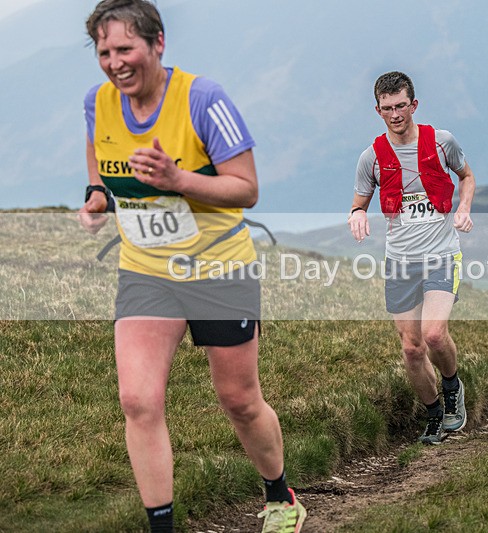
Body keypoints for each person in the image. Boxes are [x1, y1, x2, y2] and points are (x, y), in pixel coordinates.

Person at [78, 2, 305, 532]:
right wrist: (96, 195)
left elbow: (246, 188)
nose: (114, 63)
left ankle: (280, 496)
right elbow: (98, 150)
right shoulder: (98, 102)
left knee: (239, 400)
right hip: (145, 271)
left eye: (125, 49)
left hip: (218, 269)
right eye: (104, 51)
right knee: (137, 399)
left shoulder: (202, 98)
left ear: (158, 43)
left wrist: (178, 180)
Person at [348, 71, 475, 445]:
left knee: (434, 336)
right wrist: (357, 215)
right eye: (387, 108)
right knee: (411, 349)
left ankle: (453, 388)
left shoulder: (441, 142)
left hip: (441, 255)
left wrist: (464, 208)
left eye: (401, 106)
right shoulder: (370, 157)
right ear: (378, 110)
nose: (395, 114)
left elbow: (466, 176)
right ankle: (434, 412)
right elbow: (359, 203)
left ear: (413, 104)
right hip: (400, 262)